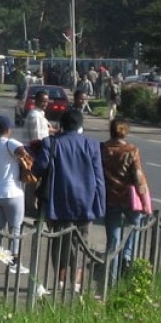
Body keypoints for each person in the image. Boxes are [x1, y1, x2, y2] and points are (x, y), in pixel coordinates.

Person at [32, 109, 105, 293]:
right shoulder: (92, 144)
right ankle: (77, 283)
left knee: (58, 241)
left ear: (61, 125)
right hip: (85, 202)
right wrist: (100, 205)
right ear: (80, 125)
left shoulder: (51, 143)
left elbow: (38, 168)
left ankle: (61, 281)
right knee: (81, 242)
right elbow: (99, 178)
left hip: (58, 201)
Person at [101, 118, 151, 280]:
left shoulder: (102, 149)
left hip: (109, 198)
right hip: (129, 199)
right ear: (126, 132)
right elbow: (138, 176)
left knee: (112, 241)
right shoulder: (131, 150)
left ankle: (111, 278)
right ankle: (127, 255)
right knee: (136, 224)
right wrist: (144, 201)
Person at [0, 115, 30, 274]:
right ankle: (14, 261)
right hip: (12, 193)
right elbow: (23, 152)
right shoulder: (10, 143)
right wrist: (21, 158)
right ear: (7, 129)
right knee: (15, 228)